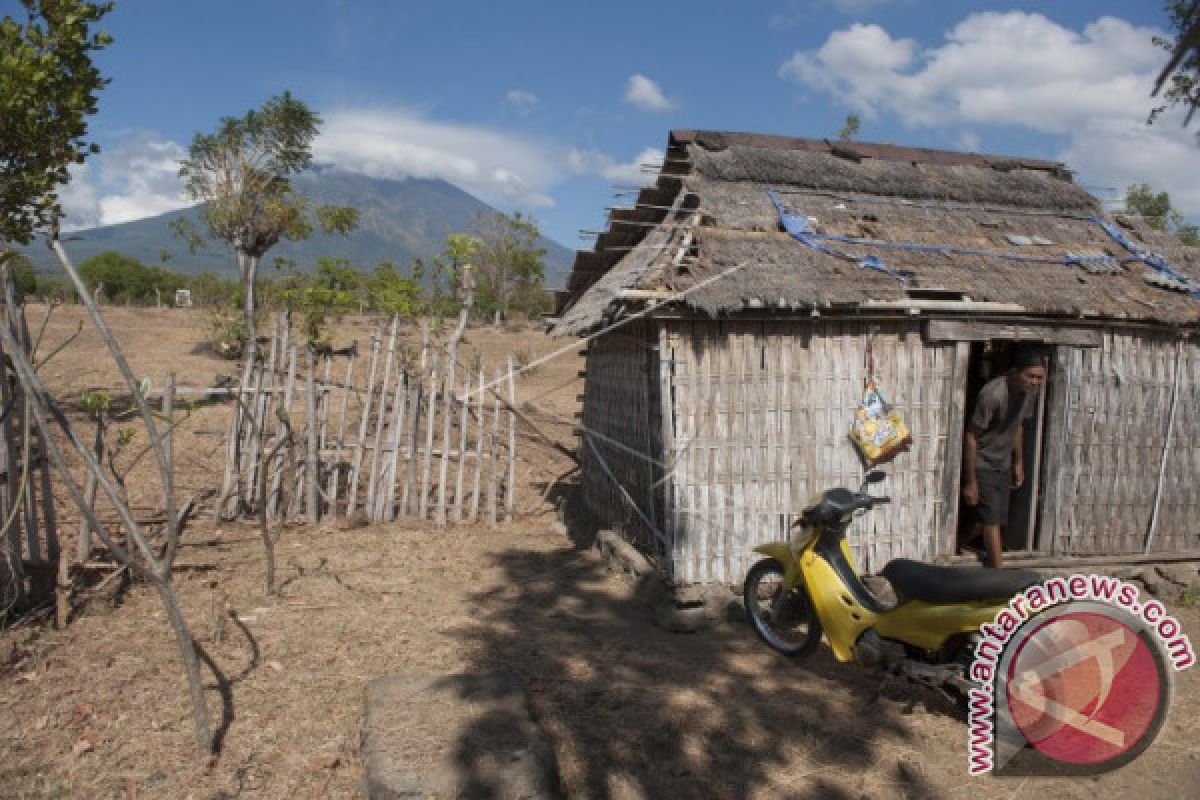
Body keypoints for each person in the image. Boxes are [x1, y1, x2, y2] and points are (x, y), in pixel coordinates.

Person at [961, 346, 1047, 568]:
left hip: (1003, 462)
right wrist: (971, 481)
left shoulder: (1029, 393)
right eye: (1031, 376)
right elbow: (971, 436)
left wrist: (1018, 462)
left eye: (1039, 378)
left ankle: (957, 548)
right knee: (992, 521)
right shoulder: (993, 395)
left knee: (985, 521)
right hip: (982, 462)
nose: (1035, 382)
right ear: (1015, 372)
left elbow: (1017, 426)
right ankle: (999, 571)